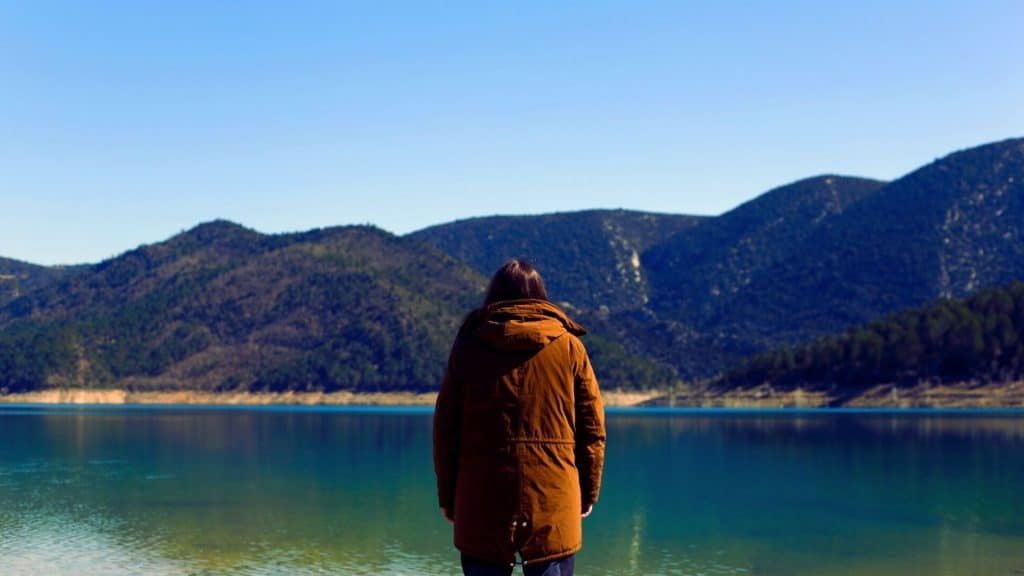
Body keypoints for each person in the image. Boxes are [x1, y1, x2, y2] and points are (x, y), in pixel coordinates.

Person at [433, 259, 606, 576]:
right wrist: (588, 491)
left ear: (493, 295)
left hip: (480, 501)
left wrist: (448, 496)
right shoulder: (569, 347)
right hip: (554, 499)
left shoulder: (469, 346)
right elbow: (592, 430)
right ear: (542, 296)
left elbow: (446, 430)